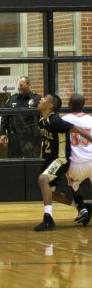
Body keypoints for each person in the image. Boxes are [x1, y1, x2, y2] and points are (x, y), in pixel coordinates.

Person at [35, 93, 92, 232]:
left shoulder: (56, 120)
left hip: (61, 159)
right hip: (50, 159)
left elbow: (76, 129)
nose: (40, 100)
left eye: (43, 99)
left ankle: (48, 219)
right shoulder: (42, 120)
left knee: (43, 180)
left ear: (50, 105)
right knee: (51, 193)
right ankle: (81, 207)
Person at [63, 93, 92, 225]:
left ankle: (82, 208)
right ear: (83, 105)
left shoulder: (64, 119)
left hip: (76, 163)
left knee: (73, 184)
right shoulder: (90, 119)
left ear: (69, 105)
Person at [0, 76, 41, 157]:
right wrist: (2, 133)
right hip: (14, 137)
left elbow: (42, 117)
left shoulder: (36, 99)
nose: (19, 87)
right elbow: (5, 117)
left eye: (21, 85)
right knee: (13, 163)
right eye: (18, 85)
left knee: (31, 162)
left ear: (29, 85)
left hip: (31, 137)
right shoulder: (12, 99)